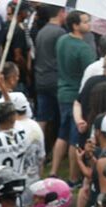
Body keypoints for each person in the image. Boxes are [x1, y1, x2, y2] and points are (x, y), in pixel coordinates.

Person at [51, 10, 95, 183]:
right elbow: (90, 73)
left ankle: (54, 171)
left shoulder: (62, 40)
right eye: (85, 22)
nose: (89, 24)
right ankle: (73, 176)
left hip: (62, 91)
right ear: (75, 25)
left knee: (62, 135)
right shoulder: (84, 49)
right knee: (74, 138)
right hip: (76, 96)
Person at [33, 5, 66, 140]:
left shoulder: (42, 31)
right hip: (55, 79)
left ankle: (39, 147)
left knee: (42, 118)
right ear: (61, 13)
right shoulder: (60, 33)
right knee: (63, 116)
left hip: (41, 79)